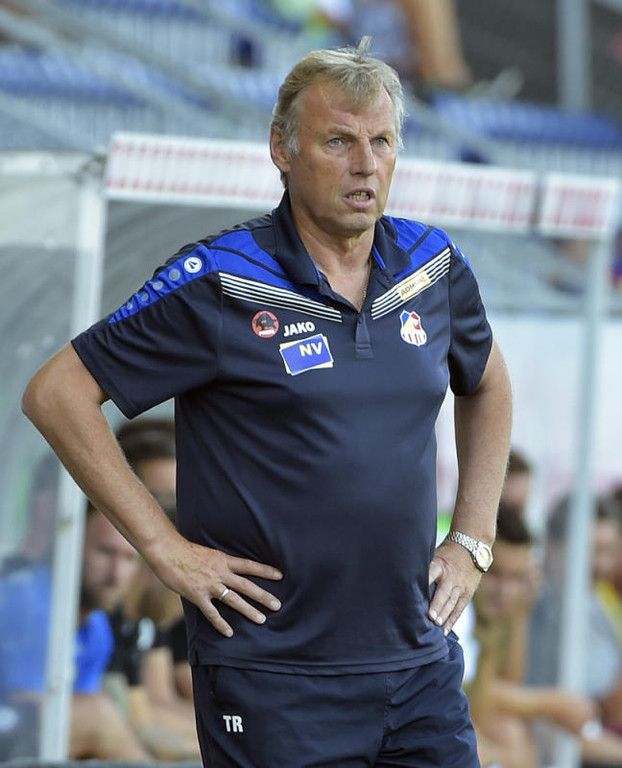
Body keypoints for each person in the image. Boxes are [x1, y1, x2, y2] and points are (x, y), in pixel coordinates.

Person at [22, 38, 512, 766]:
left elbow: (489, 382)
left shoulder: (431, 265)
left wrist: (472, 537)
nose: (365, 164)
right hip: (272, 676)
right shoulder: (219, 279)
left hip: (417, 666)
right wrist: (162, 547)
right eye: (339, 141)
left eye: (381, 142)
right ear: (282, 150)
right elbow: (57, 393)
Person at [470, 502, 622, 768]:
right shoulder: (461, 617)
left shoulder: (596, 605)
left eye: (517, 577)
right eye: (495, 574)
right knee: (510, 734)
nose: (506, 591)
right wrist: (551, 704)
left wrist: (519, 615)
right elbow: (473, 696)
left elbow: (507, 683)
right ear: (556, 549)